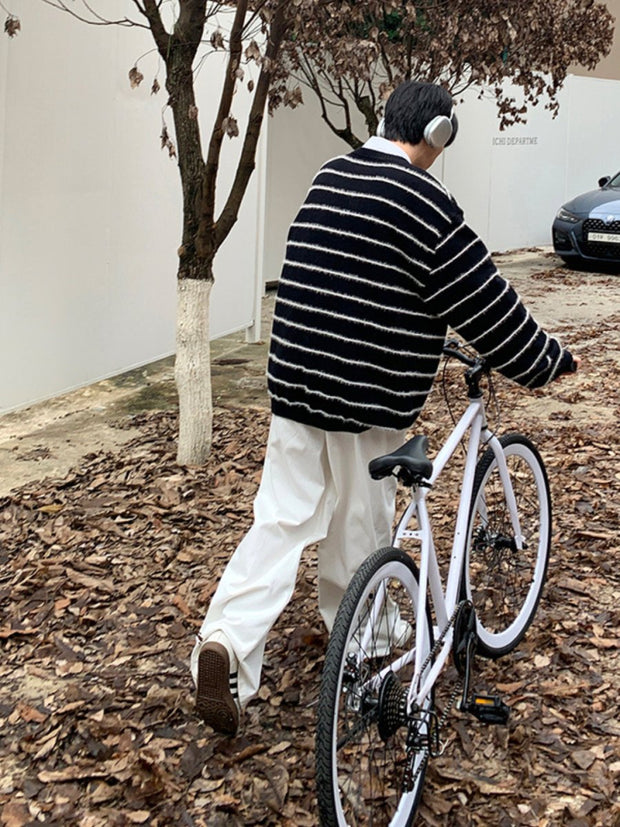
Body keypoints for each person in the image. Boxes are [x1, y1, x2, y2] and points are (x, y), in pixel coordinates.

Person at [191, 80, 578, 735]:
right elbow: (485, 303)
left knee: (282, 517)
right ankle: (364, 638)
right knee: (365, 520)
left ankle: (227, 642)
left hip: (295, 378)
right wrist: (546, 360)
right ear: (438, 135)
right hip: (366, 391)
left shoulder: (329, 176)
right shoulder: (426, 203)